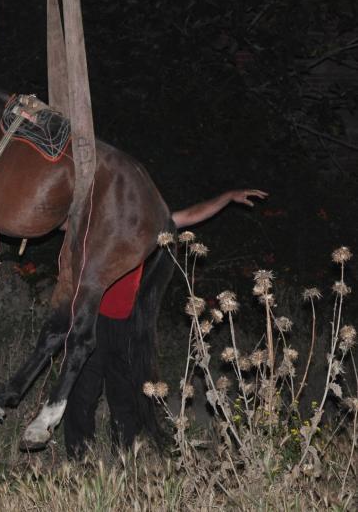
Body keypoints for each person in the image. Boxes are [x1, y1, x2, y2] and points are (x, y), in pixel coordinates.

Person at [62, 188, 268, 458]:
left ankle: (125, 456)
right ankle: (79, 458)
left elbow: (191, 215)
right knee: (84, 393)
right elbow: (56, 221)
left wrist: (228, 197)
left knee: (125, 393)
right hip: (92, 321)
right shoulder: (95, 223)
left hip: (126, 323)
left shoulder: (148, 224)